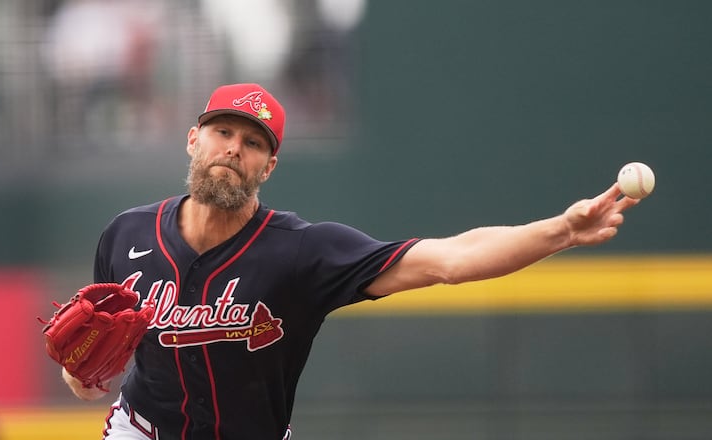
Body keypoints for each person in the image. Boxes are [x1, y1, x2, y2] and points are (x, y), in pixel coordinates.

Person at [59, 83, 640, 439]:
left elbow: (450, 260)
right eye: (223, 131)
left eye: (254, 142)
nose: (234, 147)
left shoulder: (302, 251)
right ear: (194, 139)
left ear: (269, 167)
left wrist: (561, 231)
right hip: (142, 430)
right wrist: (83, 375)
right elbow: (93, 364)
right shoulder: (125, 235)